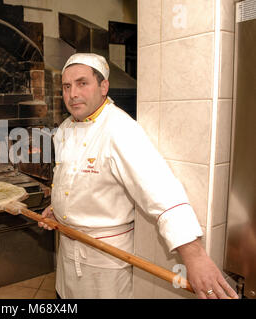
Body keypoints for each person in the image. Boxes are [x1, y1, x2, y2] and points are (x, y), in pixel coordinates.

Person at [38, 53, 238, 299]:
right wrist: (58, 207)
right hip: (67, 252)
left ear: (103, 87)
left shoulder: (120, 129)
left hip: (105, 261)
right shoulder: (65, 129)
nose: (72, 94)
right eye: (66, 87)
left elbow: (159, 189)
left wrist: (194, 256)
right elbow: (73, 180)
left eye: (82, 83)